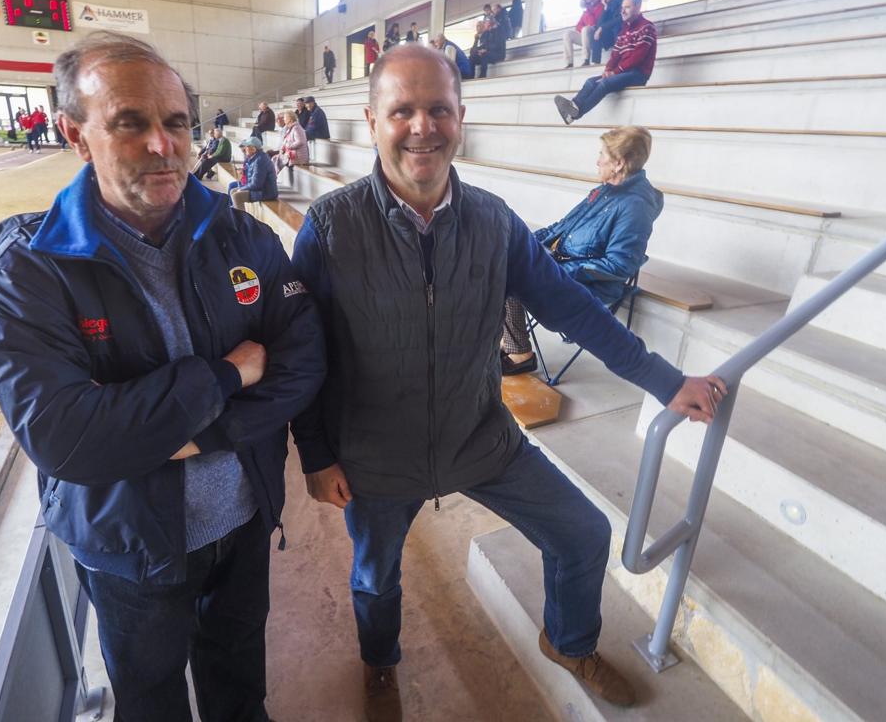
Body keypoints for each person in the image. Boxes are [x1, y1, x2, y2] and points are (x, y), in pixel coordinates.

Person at [288, 44, 725, 721]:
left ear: (461, 117)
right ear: (373, 120)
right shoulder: (331, 226)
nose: (422, 127)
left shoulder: (494, 223)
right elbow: (301, 353)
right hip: (376, 455)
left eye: (438, 109)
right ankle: (381, 665)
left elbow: (573, 309)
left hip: (480, 438)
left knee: (580, 532)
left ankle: (569, 640)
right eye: (402, 110)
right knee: (375, 580)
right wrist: (316, 454)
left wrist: (665, 381)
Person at [0, 32, 324, 722]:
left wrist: (184, 434)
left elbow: (302, 361)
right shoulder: (23, 274)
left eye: (176, 123)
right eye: (130, 123)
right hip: (129, 549)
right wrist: (226, 373)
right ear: (76, 134)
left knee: (240, 683)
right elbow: (71, 441)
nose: (163, 145)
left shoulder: (242, 236)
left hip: (243, 519)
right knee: (151, 700)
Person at [502, 126, 659, 374]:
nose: (597, 161)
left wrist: (558, 271)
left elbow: (620, 265)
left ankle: (519, 353)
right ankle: (507, 342)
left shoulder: (635, 207)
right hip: (559, 266)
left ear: (618, 164)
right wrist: (523, 241)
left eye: (602, 155)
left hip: (586, 284)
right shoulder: (604, 192)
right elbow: (560, 227)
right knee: (499, 258)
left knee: (509, 277)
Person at [554, 0, 657, 125]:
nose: (623, 11)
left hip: (638, 74)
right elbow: (615, 55)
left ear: (638, 7)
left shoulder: (647, 27)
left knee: (604, 84)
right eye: (622, 8)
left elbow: (637, 57)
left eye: (627, 7)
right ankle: (572, 108)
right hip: (624, 72)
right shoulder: (624, 30)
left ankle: (576, 115)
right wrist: (608, 69)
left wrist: (615, 72)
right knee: (590, 82)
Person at [231, 135, 277, 211]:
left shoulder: (260, 160)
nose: (245, 149)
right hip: (260, 190)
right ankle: (235, 214)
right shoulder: (255, 158)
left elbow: (256, 184)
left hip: (266, 192)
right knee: (233, 190)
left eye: (247, 147)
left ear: (253, 149)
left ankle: (241, 220)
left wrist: (242, 188)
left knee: (237, 196)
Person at [589, 0, 629, 65]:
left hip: (622, 30)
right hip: (611, 33)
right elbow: (600, 23)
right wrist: (605, 8)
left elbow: (620, 18)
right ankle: (596, 62)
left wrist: (602, 28)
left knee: (615, 27)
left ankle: (619, 56)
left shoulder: (624, 0)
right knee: (595, 30)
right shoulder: (609, 4)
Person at [562, 0, 604, 68]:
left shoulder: (602, 5)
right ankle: (569, 63)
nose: (591, 2)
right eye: (589, 1)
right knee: (567, 34)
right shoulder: (587, 11)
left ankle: (586, 59)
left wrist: (588, 12)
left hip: (596, 35)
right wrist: (587, 9)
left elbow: (594, 23)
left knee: (585, 29)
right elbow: (578, 26)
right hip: (586, 37)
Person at [275, 110, 309, 186]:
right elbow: (286, 141)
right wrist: (283, 148)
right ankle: (272, 178)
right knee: (275, 158)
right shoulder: (291, 128)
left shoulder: (297, 128)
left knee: (276, 160)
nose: (283, 119)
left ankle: (272, 179)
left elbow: (300, 142)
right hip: (293, 154)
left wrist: (288, 146)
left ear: (290, 119)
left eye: (285, 118)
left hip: (298, 157)